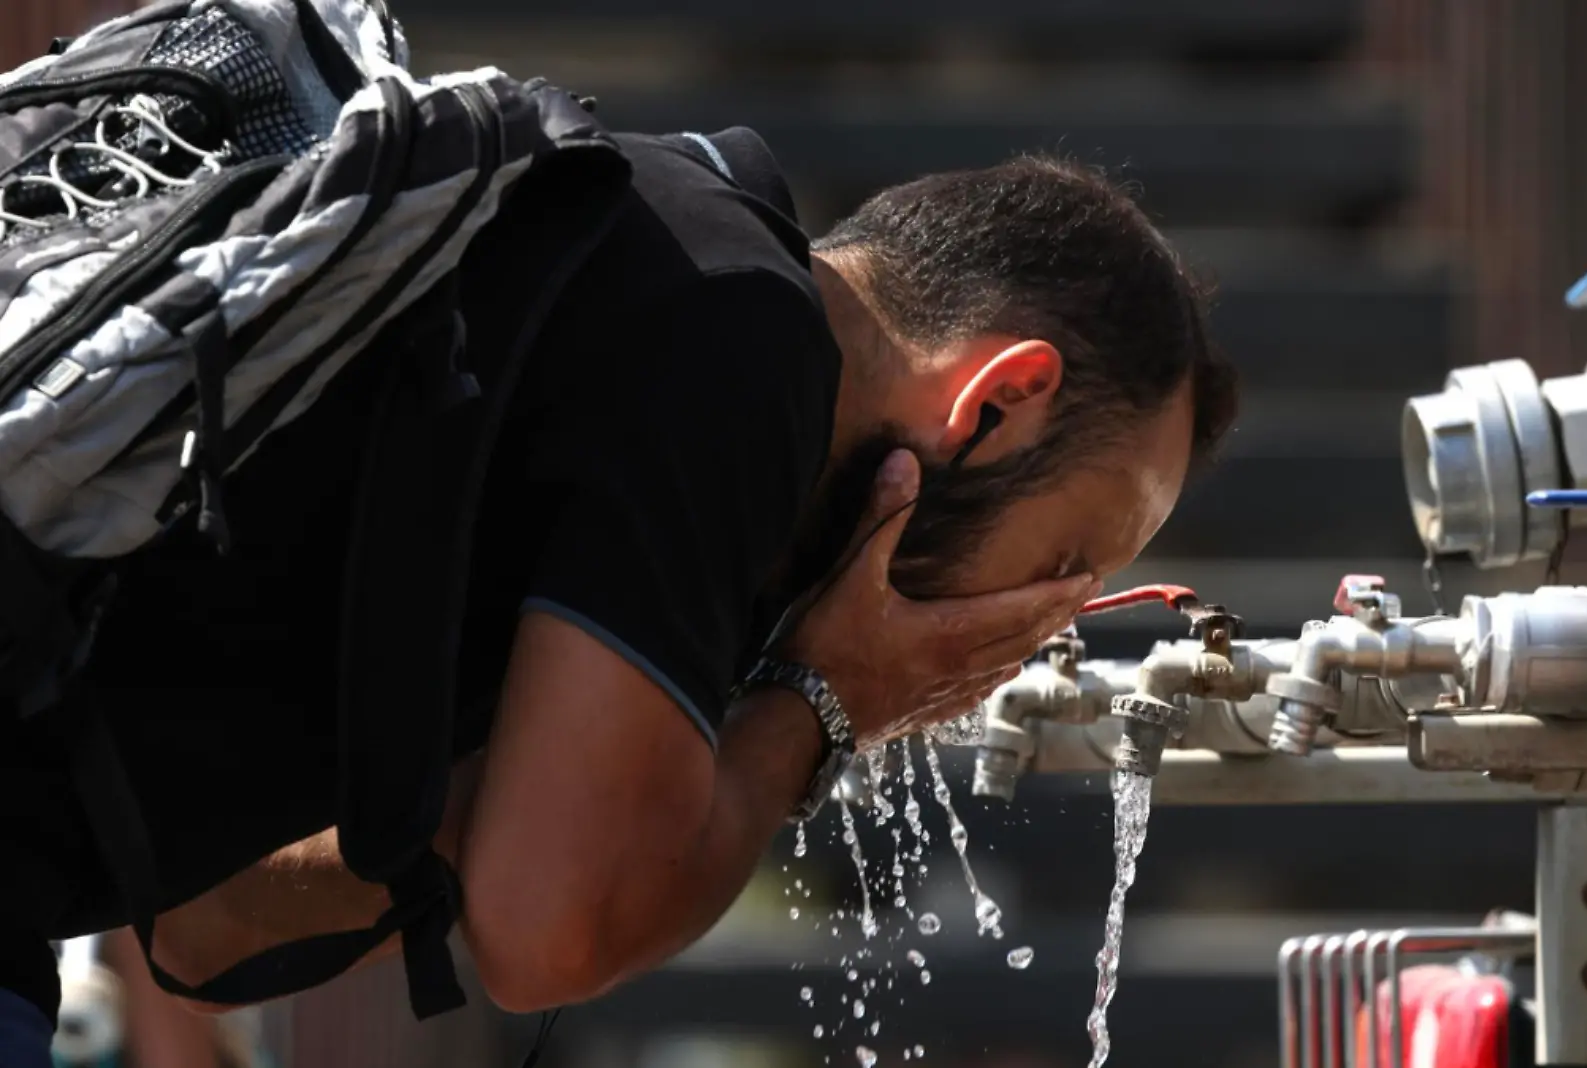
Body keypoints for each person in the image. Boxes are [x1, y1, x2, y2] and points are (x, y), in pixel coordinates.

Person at [0, 125, 1238, 1057]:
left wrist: (486, 819)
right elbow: (550, 942)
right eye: (1068, 559)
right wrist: (819, 707)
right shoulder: (741, 351)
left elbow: (209, 913)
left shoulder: (644, 253)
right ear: (1000, 402)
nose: (1041, 622)